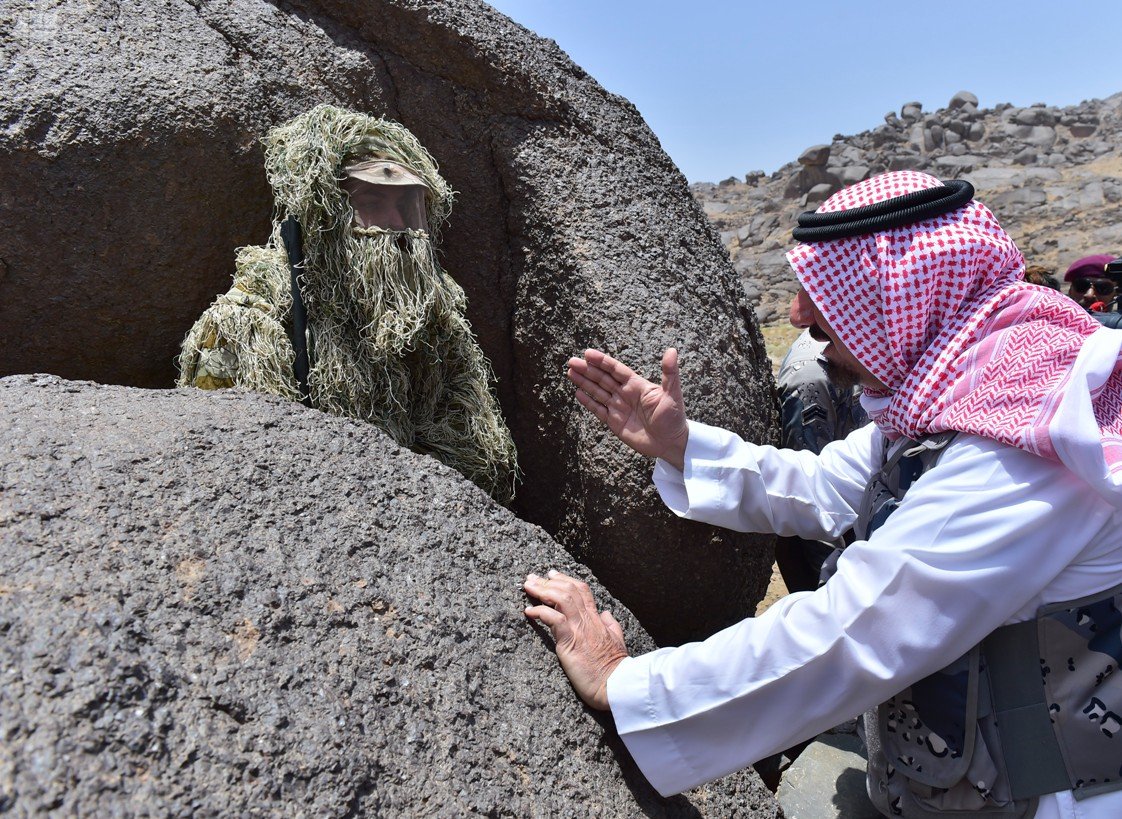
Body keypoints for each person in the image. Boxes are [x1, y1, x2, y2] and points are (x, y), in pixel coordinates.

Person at [524, 171, 1122, 817]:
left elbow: (862, 628)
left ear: (899, 295)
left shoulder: (1022, 433)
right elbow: (828, 485)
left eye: (822, 295)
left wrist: (628, 681)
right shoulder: (976, 380)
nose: (799, 316)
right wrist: (681, 445)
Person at [177, 105, 517, 501]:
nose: (396, 222)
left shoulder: (432, 321)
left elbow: (481, 458)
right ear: (325, 214)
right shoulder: (250, 326)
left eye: (406, 204)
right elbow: (244, 471)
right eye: (372, 199)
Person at [774, 328, 866, 592]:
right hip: (824, 533)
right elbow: (810, 499)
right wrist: (837, 591)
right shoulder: (811, 379)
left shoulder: (866, 349)